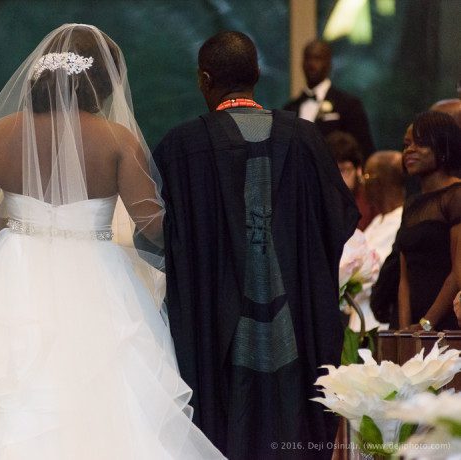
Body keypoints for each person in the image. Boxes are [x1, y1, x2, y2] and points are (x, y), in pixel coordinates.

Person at [0, 24, 224, 459]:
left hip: (12, 274)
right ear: (104, 83)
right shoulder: (118, 141)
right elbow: (153, 226)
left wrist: (22, 229)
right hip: (97, 278)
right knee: (108, 391)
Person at [152, 31, 359, 459]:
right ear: (257, 75)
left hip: (213, 339)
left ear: (204, 80)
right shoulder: (305, 139)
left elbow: (160, 238)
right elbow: (339, 220)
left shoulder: (179, 148)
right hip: (296, 328)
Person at [398, 112, 461, 332]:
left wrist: (426, 324)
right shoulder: (411, 204)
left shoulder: (456, 195)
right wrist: (405, 330)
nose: (409, 150)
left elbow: (458, 271)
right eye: (406, 144)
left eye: (420, 143)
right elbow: (404, 277)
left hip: (446, 325)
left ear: (443, 147)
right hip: (415, 327)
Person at [284, 40, 375, 157]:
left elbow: (364, 149)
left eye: (318, 58)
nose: (311, 64)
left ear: (329, 63)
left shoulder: (348, 105)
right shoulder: (290, 109)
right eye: (308, 58)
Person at [363, 151, 405, 327]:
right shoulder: (376, 222)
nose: (362, 183)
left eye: (366, 176)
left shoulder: (401, 220)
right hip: (359, 315)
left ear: (379, 182)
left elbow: (378, 273)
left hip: (379, 320)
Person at [325, 130, 377, 229]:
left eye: (343, 170)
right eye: (331, 172)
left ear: (358, 169)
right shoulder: (318, 201)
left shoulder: (372, 201)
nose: (337, 179)